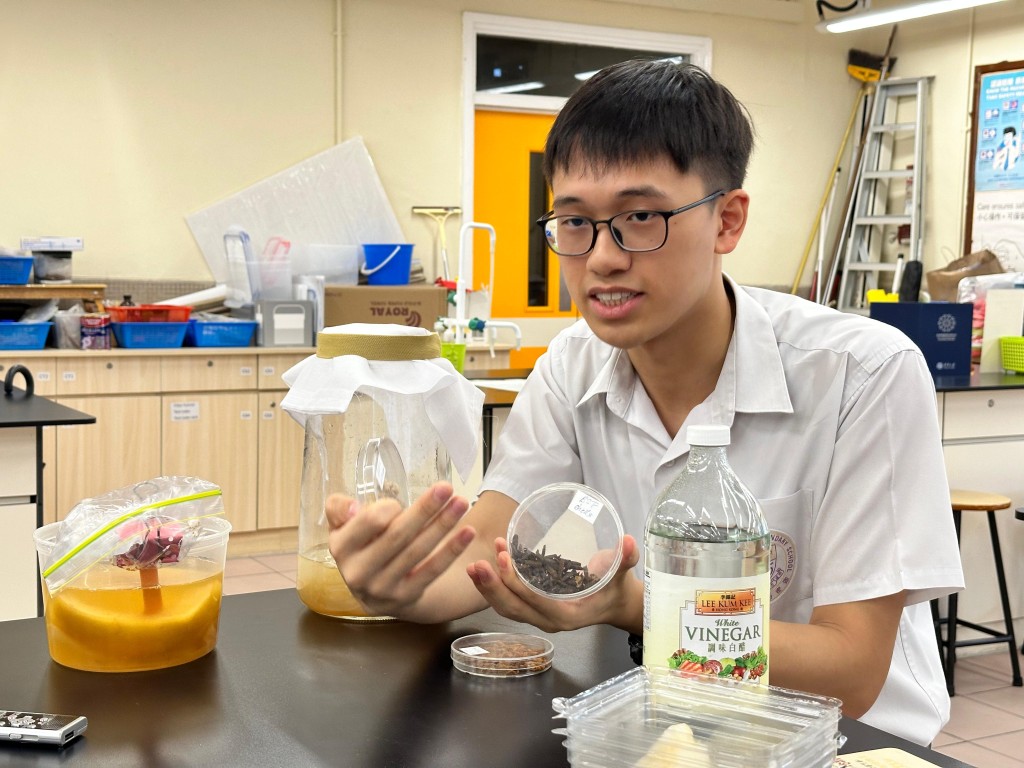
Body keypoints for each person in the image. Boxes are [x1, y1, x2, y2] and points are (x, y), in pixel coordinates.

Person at [325, 59, 963, 745]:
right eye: (574, 223)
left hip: (847, 747)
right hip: (670, 736)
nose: (601, 257)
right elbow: (487, 551)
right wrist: (397, 585)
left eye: (639, 216)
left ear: (727, 220)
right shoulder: (573, 366)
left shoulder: (863, 374)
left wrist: (634, 604)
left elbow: (854, 668)